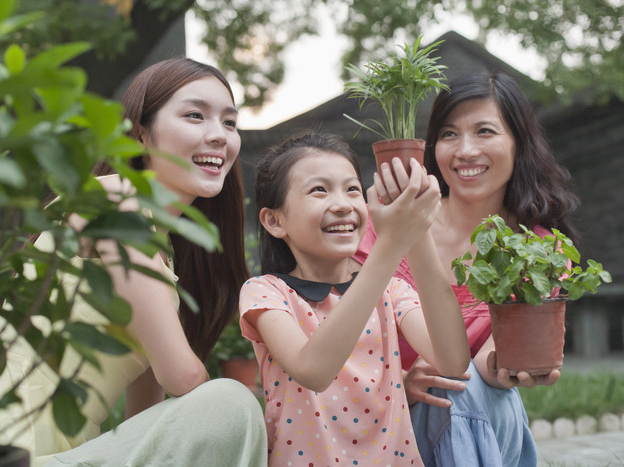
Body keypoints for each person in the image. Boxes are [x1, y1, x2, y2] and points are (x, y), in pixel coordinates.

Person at [0, 58, 268, 467]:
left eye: (229, 122)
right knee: (230, 402)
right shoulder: (112, 200)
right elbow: (182, 377)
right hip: (1, 453)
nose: (219, 136)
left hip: (66, 455)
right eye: (195, 115)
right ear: (140, 134)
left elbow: (146, 421)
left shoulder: (160, 256)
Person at [353, 71, 580, 466]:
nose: (465, 150)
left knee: (462, 385)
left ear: (518, 143)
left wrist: (505, 366)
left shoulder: (541, 251)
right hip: (383, 423)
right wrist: (398, 385)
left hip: (479, 413)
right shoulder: (385, 226)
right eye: (449, 134)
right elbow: (345, 338)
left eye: (485, 131)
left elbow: (482, 367)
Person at [239, 130, 470, 466]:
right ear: (274, 220)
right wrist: (391, 245)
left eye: (352, 189)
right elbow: (314, 371)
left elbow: (451, 360)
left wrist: (416, 233)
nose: (343, 204)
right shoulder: (266, 293)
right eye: (319, 190)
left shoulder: (390, 291)